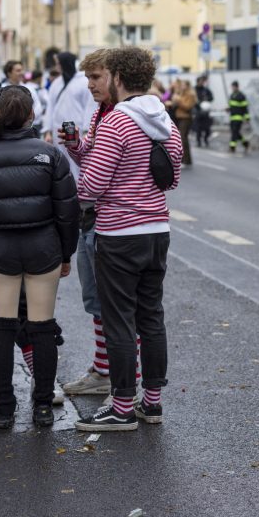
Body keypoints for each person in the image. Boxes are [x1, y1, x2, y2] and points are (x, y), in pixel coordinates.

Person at [70, 47, 183, 431]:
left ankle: (120, 407)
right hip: (157, 231)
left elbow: (92, 185)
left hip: (119, 234)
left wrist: (88, 182)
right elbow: (173, 178)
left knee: (119, 321)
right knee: (151, 318)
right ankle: (151, 404)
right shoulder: (166, 122)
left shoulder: (117, 123)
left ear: (118, 78)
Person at [0, 86, 79, 429]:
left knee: (3, 327)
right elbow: (68, 212)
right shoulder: (50, 155)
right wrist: (65, 252)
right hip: (43, 247)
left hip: (0, 248)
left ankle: (3, 410)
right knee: (43, 328)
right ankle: (41, 406)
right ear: (31, 116)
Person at [62, 49, 120, 398]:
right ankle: (103, 370)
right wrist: (75, 146)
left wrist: (71, 193)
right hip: (91, 215)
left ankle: (122, 382)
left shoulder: (122, 115)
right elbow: (92, 158)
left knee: (117, 305)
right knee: (96, 301)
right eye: (87, 77)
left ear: (116, 77)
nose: (90, 84)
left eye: (96, 77)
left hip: (109, 220)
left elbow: (99, 179)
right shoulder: (101, 111)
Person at [41, 52, 96, 175]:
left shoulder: (83, 82)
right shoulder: (57, 83)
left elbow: (90, 106)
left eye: (58, 63)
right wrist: (47, 130)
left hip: (77, 129)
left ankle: (77, 187)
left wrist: (88, 130)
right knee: (60, 160)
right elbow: (50, 107)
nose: (57, 67)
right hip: (58, 129)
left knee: (77, 161)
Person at [1, 60, 44, 132]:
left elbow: (37, 106)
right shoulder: (1, 89)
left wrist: (27, 120)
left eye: (22, 70)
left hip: (28, 128)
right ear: (9, 73)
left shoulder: (29, 88)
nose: (22, 73)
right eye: (18, 71)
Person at [169, 80, 196, 166]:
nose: (182, 86)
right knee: (183, 139)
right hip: (180, 117)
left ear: (187, 86)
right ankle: (186, 160)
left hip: (186, 118)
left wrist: (178, 100)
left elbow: (187, 106)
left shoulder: (191, 95)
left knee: (183, 139)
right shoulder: (182, 93)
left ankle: (185, 160)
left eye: (184, 85)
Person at [228, 80, 250, 153]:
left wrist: (247, 117)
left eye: (233, 87)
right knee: (236, 133)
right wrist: (228, 109)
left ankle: (232, 147)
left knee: (234, 132)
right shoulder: (232, 95)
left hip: (239, 117)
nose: (232, 88)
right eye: (232, 87)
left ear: (237, 87)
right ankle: (245, 143)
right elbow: (232, 106)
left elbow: (245, 108)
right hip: (232, 117)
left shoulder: (241, 96)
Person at [194, 75, 214, 147]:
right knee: (198, 128)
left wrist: (207, 99)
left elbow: (211, 97)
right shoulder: (194, 90)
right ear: (198, 82)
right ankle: (198, 141)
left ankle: (206, 139)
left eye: (203, 81)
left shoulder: (206, 90)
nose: (202, 83)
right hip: (198, 111)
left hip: (206, 112)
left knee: (207, 128)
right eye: (201, 81)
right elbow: (193, 100)